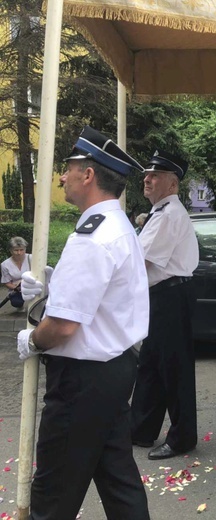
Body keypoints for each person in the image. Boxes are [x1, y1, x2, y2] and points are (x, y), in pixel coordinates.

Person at [16, 126, 150, 519]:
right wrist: (54, 283)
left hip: (82, 379)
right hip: (112, 370)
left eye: (68, 168)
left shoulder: (92, 236)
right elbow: (103, 297)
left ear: (88, 175)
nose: (61, 176)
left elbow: (62, 327)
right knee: (118, 480)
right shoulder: (118, 225)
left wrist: (33, 340)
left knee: (53, 494)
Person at [130, 150, 200, 460]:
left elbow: (139, 263)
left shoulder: (168, 215)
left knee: (173, 370)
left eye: (154, 175)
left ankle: (183, 437)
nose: (146, 178)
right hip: (163, 296)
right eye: (147, 174)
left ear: (172, 184)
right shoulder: (162, 212)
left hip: (170, 296)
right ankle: (140, 429)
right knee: (151, 366)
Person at [1, 236, 31, 310]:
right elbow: (7, 282)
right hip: (17, 289)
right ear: (11, 251)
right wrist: (17, 288)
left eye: (22, 250)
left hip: (32, 286)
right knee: (16, 302)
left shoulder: (31, 258)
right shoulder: (5, 264)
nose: (19, 253)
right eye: (16, 250)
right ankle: (20, 306)